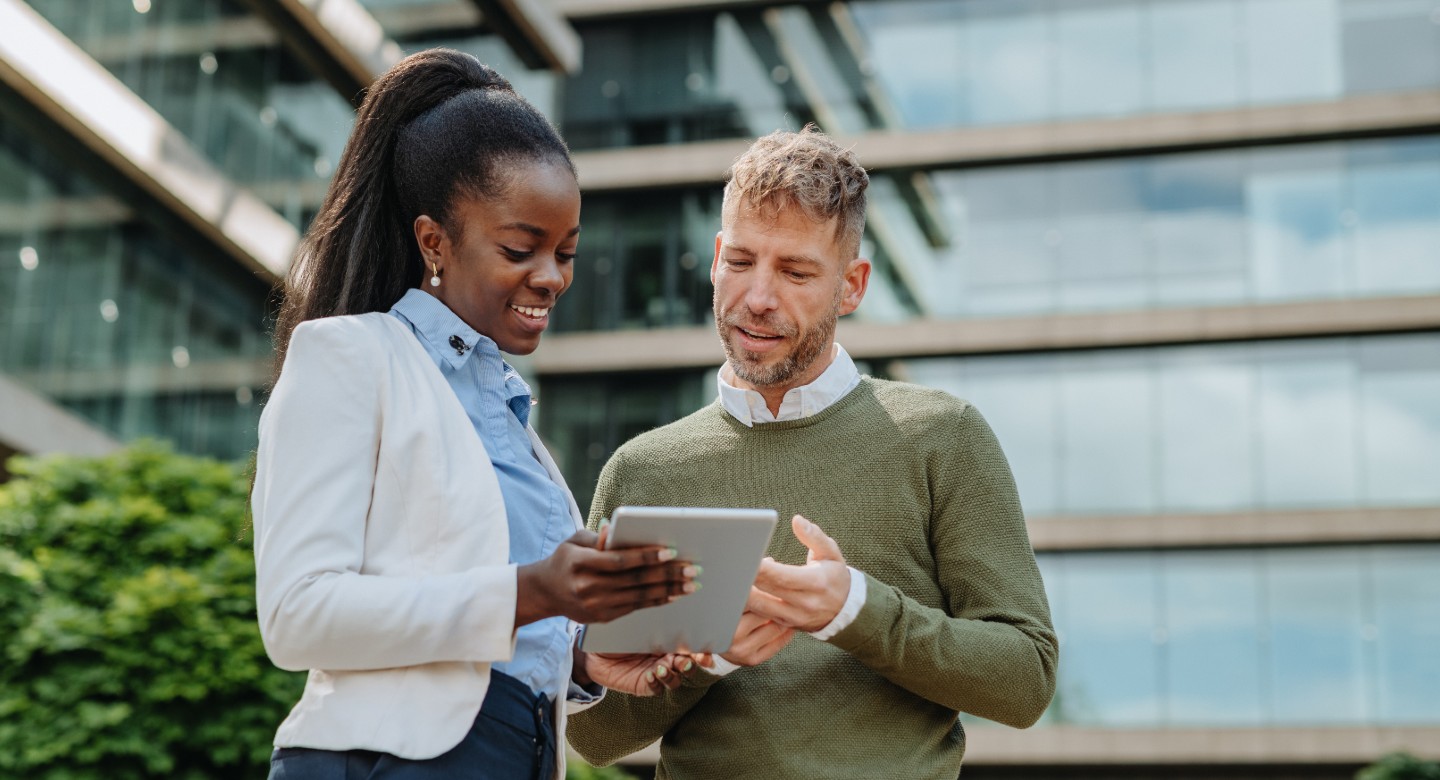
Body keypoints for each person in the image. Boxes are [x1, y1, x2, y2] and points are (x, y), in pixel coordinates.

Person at [251, 49, 702, 780]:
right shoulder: (349, 356)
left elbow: (495, 645)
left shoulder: (514, 423)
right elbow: (297, 615)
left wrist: (584, 660)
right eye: (522, 249)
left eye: (567, 252)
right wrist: (533, 590)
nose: (552, 278)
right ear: (435, 240)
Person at [567, 127, 1058, 779]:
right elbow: (593, 737)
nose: (759, 297)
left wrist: (854, 610)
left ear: (852, 286)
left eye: (795, 271)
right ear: (715, 257)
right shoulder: (641, 470)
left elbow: (1025, 681)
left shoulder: (944, 436)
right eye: (740, 261)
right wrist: (706, 656)